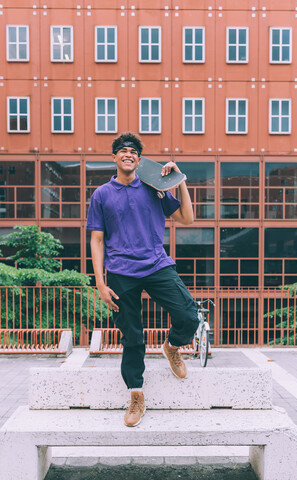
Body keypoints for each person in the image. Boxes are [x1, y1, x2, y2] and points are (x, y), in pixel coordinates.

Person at [86, 132, 199, 427]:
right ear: (114, 157)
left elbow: (187, 219)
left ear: (138, 158)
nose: (128, 154)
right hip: (121, 272)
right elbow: (96, 240)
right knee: (132, 337)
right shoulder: (101, 195)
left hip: (156, 264)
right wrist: (100, 282)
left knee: (189, 316)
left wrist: (179, 180)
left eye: (133, 151)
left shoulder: (154, 187)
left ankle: (172, 346)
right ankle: (136, 394)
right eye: (122, 150)